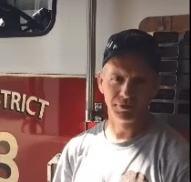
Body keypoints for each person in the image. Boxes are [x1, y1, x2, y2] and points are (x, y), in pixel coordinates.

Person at [52, 29, 189, 182]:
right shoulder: (76, 151)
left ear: (155, 86)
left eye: (139, 81)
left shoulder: (177, 158)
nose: (126, 93)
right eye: (117, 79)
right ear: (101, 82)